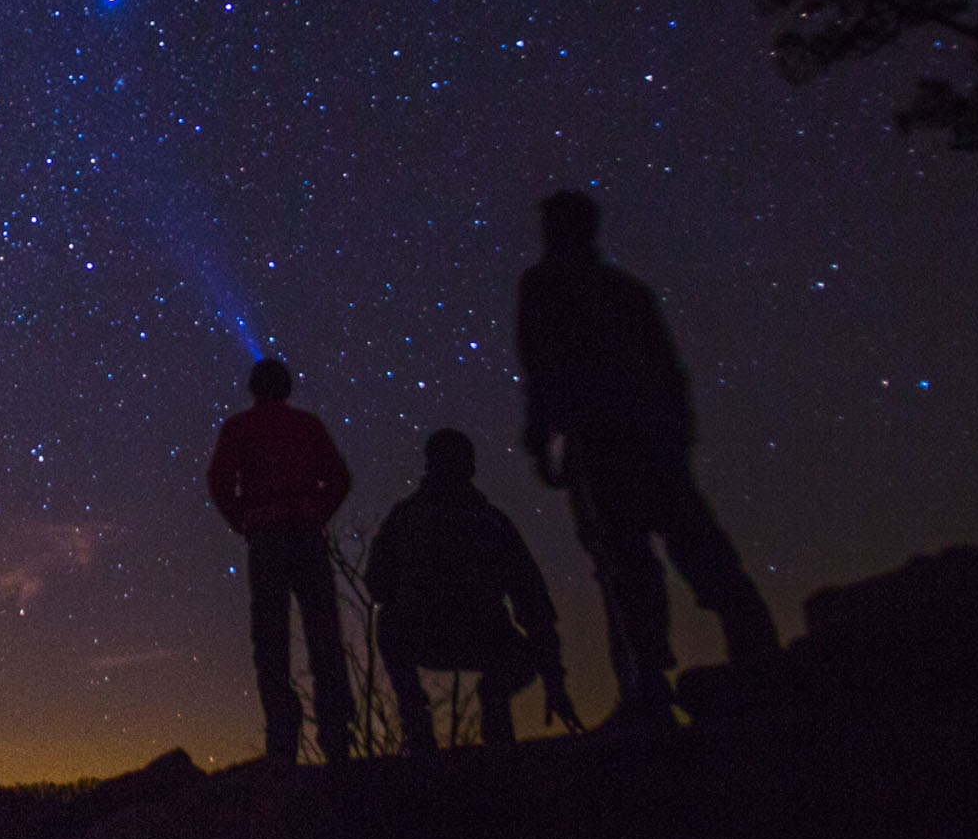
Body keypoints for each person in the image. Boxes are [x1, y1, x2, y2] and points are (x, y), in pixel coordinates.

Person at [516, 189, 781, 731]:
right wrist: (677, 434)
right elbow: (668, 365)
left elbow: (541, 362)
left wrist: (541, 437)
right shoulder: (627, 290)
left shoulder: (545, 285)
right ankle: (758, 658)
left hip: (602, 439)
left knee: (624, 565)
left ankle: (647, 690)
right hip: (653, 435)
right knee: (696, 546)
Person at [364, 428, 576, 751]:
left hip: (428, 634)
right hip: (483, 635)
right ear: (471, 468)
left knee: (389, 623)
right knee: (394, 623)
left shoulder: (405, 517)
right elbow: (533, 602)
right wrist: (554, 683)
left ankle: (418, 727)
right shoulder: (491, 522)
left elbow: (376, 584)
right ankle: (495, 717)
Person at [206, 356, 356, 764]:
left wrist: (245, 520)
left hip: (268, 536)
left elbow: (218, 481)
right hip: (305, 533)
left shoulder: (240, 428)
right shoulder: (307, 426)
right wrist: (315, 511)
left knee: (270, 637)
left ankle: (282, 738)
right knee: (323, 632)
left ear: (254, 388)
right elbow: (340, 478)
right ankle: (336, 735)